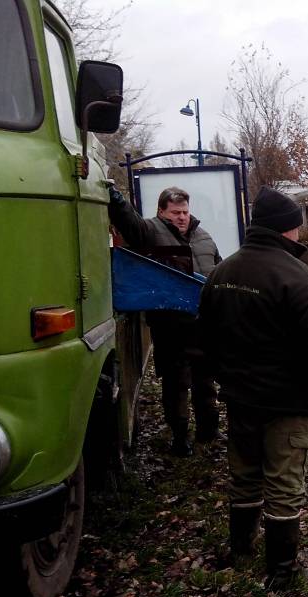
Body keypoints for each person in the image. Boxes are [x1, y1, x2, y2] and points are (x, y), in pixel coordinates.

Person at [198, 186, 308, 590]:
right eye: (298, 228)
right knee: (284, 484)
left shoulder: (222, 273)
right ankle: (282, 573)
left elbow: (205, 338)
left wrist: (227, 379)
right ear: (288, 229)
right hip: (289, 402)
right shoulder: (297, 277)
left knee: (245, 475)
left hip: (240, 399)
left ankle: (240, 550)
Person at [108, 185, 221, 456]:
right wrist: (117, 200)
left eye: (184, 211)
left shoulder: (203, 236)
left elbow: (218, 269)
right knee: (176, 383)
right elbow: (129, 224)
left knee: (205, 380)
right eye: (175, 212)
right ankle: (180, 436)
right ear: (161, 211)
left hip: (202, 323)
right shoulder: (149, 232)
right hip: (170, 325)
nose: (181, 217)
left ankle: (209, 429)